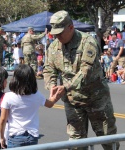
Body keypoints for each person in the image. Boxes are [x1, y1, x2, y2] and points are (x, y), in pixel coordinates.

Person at [43, 10, 119, 150]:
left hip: (96, 99)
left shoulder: (87, 42)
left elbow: (86, 71)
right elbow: (49, 69)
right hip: (73, 102)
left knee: (107, 137)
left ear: (71, 27)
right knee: (76, 142)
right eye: (55, 33)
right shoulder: (53, 47)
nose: (57, 36)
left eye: (60, 33)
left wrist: (65, 87)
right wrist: (52, 85)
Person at [0, 64, 61, 149]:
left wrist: (2, 137)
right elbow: (50, 104)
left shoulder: (8, 96)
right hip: (32, 136)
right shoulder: (37, 95)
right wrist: (55, 96)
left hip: (15, 136)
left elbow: (3, 119)